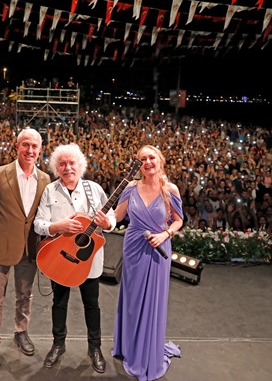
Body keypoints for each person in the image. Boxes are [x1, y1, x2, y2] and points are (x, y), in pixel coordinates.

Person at [33, 143, 116, 373]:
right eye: (62, 164)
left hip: (88, 260)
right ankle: (58, 345)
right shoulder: (50, 190)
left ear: (80, 165)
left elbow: (111, 219)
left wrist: (107, 223)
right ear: (56, 168)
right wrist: (57, 226)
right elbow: (39, 224)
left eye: (71, 163)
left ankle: (95, 348)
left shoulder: (94, 189)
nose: (67, 167)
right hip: (59, 258)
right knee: (59, 303)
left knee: (92, 305)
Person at [0, 128, 51, 372]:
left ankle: (21, 331)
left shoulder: (45, 179)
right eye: (25, 145)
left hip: (30, 249)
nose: (30, 150)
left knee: (25, 296)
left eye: (34, 146)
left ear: (40, 150)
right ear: (16, 146)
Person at [112, 145, 184, 381]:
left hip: (158, 249)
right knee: (132, 300)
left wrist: (165, 235)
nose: (147, 162)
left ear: (160, 160)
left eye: (151, 157)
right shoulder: (130, 187)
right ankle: (129, 347)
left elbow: (178, 220)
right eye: (142, 159)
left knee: (153, 301)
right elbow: (117, 216)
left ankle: (146, 352)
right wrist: (102, 219)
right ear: (138, 165)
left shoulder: (170, 189)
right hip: (133, 247)